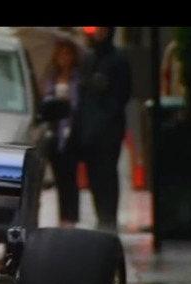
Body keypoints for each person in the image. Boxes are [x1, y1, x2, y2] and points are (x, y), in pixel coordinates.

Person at [70, 27, 132, 233]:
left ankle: (108, 219)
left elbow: (121, 97)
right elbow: (81, 96)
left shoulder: (118, 61)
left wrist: (103, 122)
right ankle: (101, 217)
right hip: (88, 131)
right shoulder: (88, 60)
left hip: (108, 132)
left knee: (107, 176)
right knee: (95, 178)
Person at [43, 38, 81, 228]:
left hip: (72, 132)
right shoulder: (51, 77)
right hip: (55, 134)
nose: (65, 59)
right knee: (59, 178)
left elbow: (81, 104)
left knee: (70, 178)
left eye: (68, 54)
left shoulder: (78, 78)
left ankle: (70, 218)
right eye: (61, 55)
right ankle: (62, 216)